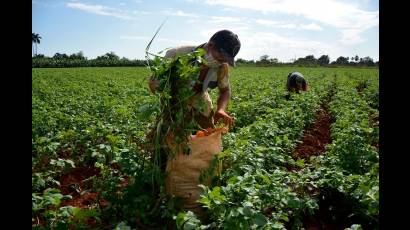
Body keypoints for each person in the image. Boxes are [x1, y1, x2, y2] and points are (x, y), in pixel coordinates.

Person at [148, 29, 241, 129]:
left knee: (208, 134)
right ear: (211, 45)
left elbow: (225, 90)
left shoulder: (222, 66)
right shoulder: (177, 54)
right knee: (169, 135)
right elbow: (155, 82)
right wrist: (156, 85)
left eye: (224, 60)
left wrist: (221, 109)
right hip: (173, 103)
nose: (221, 62)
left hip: (201, 102)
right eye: (220, 58)